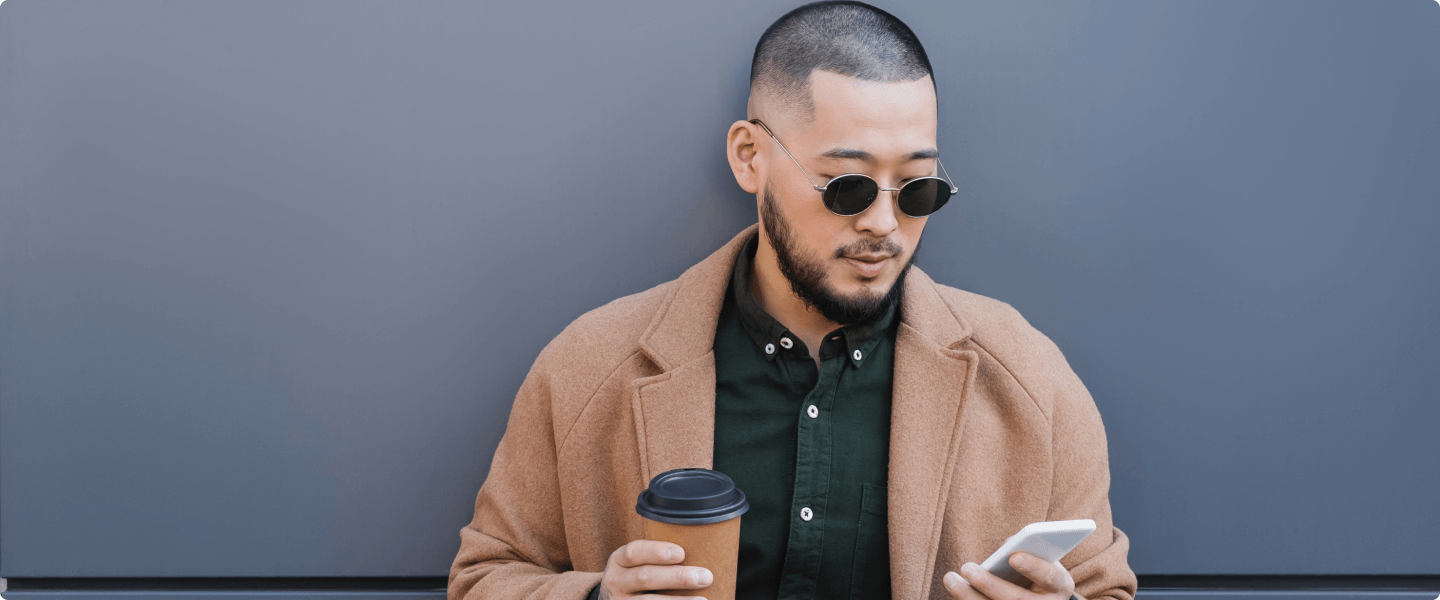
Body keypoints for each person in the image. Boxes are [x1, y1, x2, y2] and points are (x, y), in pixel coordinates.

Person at [448, 2, 1136, 599]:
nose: (884, 225)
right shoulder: (589, 367)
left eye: (919, 189)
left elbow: (1105, 589)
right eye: (848, 187)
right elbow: (486, 577)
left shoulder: (1028, 379)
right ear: (750, 157)